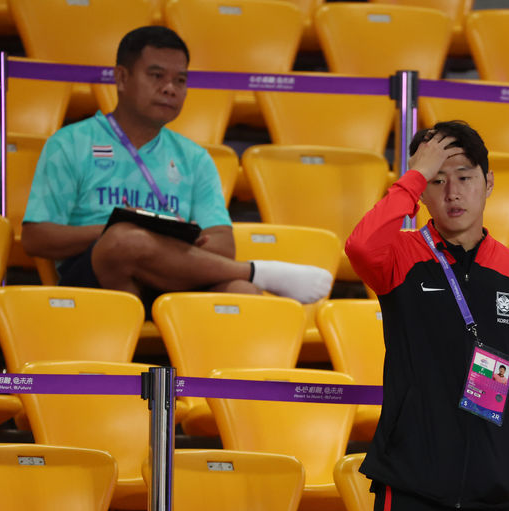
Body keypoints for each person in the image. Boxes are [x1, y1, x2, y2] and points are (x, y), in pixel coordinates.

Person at [345, 121, 509, 511]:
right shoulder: (401, 258)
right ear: (422, 192)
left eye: (464, 177)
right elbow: (361, 246)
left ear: (489, 181)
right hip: (413, 484)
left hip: (496, 492)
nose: (453, 193)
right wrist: (412, 176)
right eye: (437, 180)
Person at [21, 26, 332, 312]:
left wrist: (164, 244)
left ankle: (220, 349)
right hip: (96, 276)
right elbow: (36, 239)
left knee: (242, 292)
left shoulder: (194, 158)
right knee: (124, 240)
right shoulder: (71, 143)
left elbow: (222, 245)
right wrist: (114, 229)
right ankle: (258, 271)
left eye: (180, 80)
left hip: (172, 278)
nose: (169, 88)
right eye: (156, 76)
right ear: (122, 78)